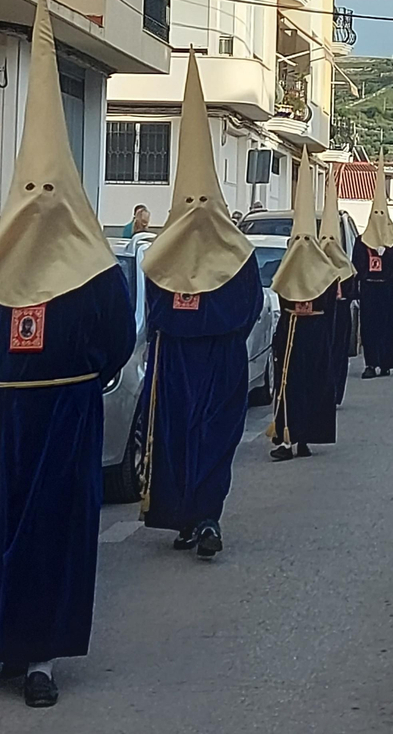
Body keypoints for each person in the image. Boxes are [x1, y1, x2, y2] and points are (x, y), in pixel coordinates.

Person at [0, 0, 135, 708]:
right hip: (3, 422)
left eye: (47, 189)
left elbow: (117, 341)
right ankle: (3, 642)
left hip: (64, 421)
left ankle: (42, 657)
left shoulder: (94, 273)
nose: (36, 199)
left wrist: (80, 383)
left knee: (53, 537)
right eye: (24, 189)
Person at [138, 52, 264, 558]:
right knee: (173, 439)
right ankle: (181, 516)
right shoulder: (157, 256)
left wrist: (205, 318)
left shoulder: (240, 255)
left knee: (214, 438)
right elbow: (155, 309)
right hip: (174, 364)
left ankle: (207, 515)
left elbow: (248, 306)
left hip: (219, 361)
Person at [270, 151, 348, 459]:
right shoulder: (286, 267)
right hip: (290, 333)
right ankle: (288, 436)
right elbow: (280, 291)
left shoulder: (325, 271)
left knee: (312, 386)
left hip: (313, 334)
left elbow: (329, 302)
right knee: (288, 385)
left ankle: (305, 438)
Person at [352, 159, 393, 378]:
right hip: (369, 288)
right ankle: (370, 363)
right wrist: (367, 271)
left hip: (387, 287)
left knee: (387, 325)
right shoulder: (361, 240)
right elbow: (356, 263)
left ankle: (385, 363)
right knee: (369, 326)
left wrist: (389, 259)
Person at [317, 165, 357, 405]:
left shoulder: (347, 268)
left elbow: (352, 291)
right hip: (320, 320)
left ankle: (335, 392)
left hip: (339, 317)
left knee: (338, 354)